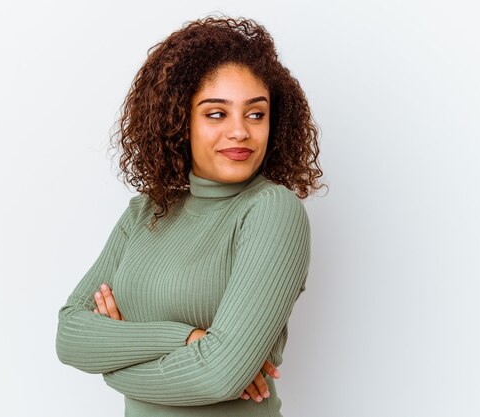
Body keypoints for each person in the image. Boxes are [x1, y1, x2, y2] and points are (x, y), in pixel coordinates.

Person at [55, 15, 323, 417]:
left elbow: (219, 376)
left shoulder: (271, 210)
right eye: (216, 114)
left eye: (256, 114)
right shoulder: (147, 211)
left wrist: (113, 364)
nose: (240, 132)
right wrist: (186, 339)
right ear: (180, 121)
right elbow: (71, 335)